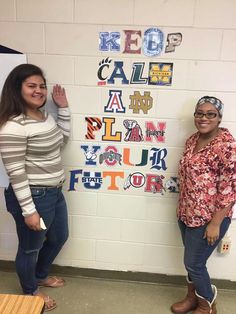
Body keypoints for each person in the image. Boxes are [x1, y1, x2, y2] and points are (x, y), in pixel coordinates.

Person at [0, 64, 70, 311]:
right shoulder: (13, 126)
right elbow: (16, 173)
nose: (39, 90)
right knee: (31, 247)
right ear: (16, 89)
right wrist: (29, 211)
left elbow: (61, 140)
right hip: (33, 198)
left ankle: (40, 275)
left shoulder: (43, 116)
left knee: (59, 237)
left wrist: (63, 109)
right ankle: (30, 291)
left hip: (54, 193)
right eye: (31, 86)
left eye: (41, 86)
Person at [171, 96, 235, 314]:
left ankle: (208, 304)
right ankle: (192, 298)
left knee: (194, 264)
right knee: (190, 262)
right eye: (199, 113)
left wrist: (216, 224)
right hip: (187, 212)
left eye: (210, 114)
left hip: (209, 218)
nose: (204, 118)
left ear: (219, 118)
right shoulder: (191, 140)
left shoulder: (227, 147)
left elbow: (230, 189)